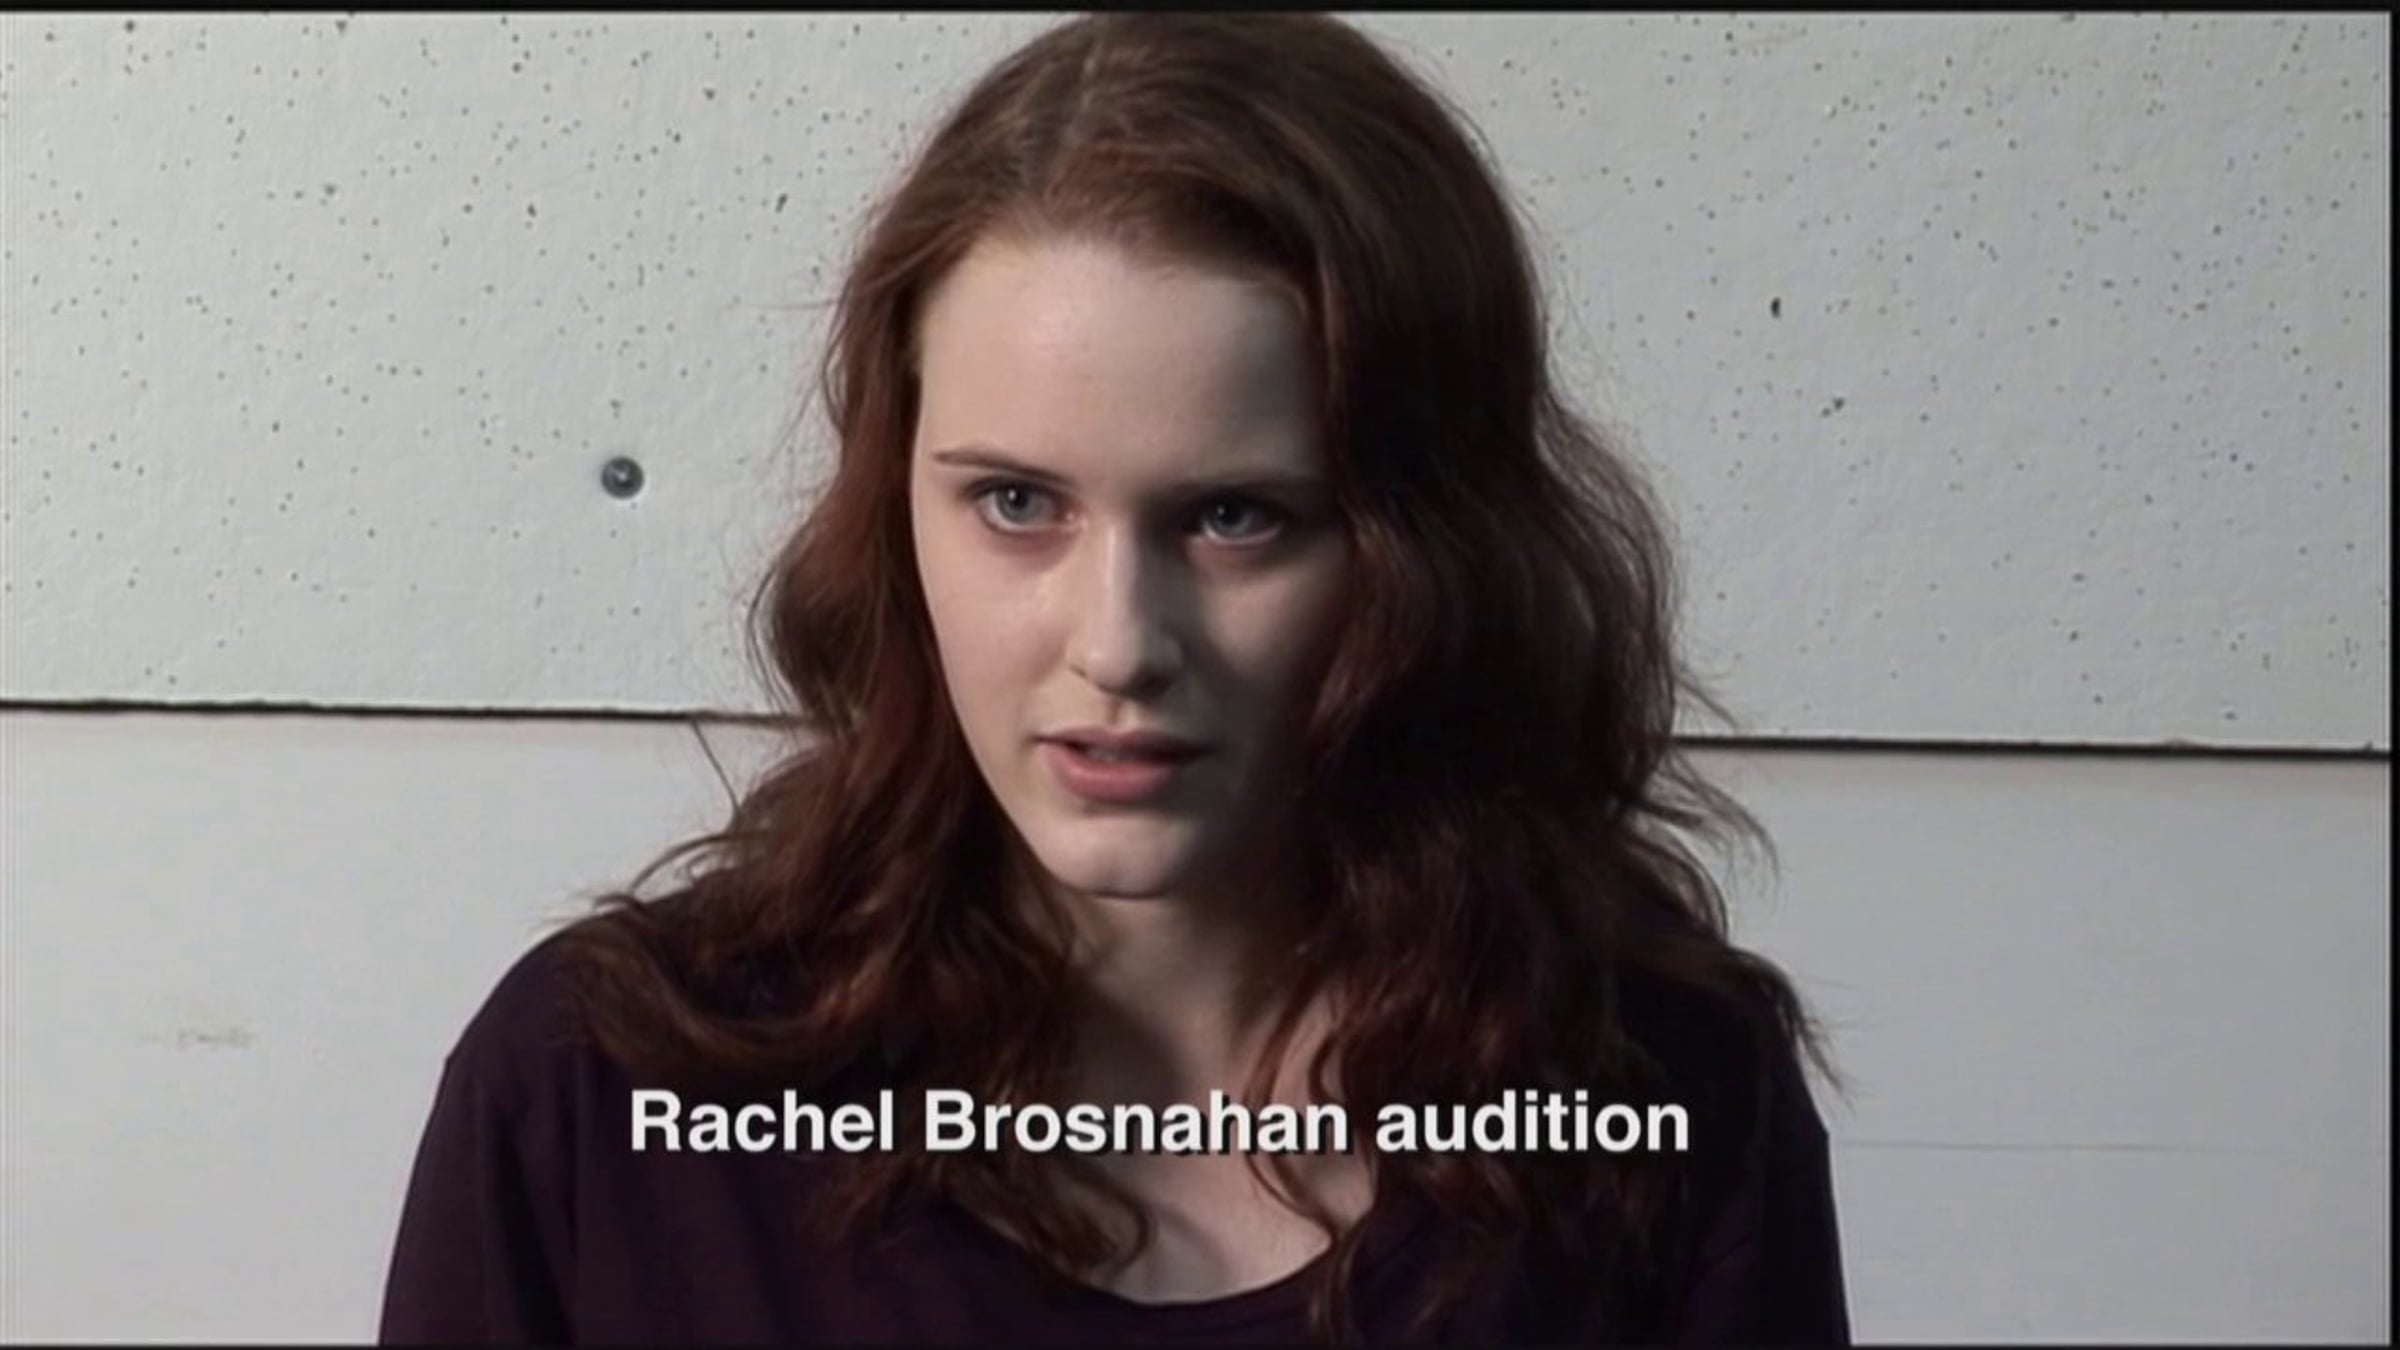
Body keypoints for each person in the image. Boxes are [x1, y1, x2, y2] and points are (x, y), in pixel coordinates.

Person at [380, 12, 1850, 1345]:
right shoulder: (603, 1100)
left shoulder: (1661, 1103)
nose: (1119, 644)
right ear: (895, 509)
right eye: (1016, 503)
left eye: (1235, 517)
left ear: (1431, 548)